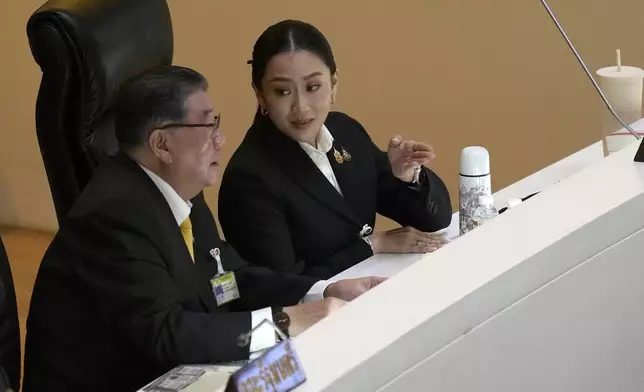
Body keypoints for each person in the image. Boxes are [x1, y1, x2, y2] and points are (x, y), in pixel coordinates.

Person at [22, 65, 384, 392]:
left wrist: (321, 292)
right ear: (161, 144)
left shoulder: (181, 192)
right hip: (127, 380)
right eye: (208, 125)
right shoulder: (112, 219)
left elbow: (227, 281)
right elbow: (165, 333)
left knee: (314, 369)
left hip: (174, 371)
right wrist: (283, 323)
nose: (219, 139)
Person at [218, 20, 453, 280]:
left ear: (334, 83)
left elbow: (434, 221)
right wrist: (372, 246)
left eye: (313, 87)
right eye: (283, 91)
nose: (301, 108)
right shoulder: (249, 178)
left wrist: (408, 177)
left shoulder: (345, 130)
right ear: (261, 95)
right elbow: (284, 288)